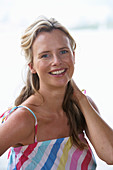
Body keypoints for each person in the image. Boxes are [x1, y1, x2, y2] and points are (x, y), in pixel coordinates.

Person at [0, 16, 113, 170]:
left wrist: (80, 98)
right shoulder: (24, 118)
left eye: (63, 52)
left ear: (73, 56)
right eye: (45, 55)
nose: (57, 61)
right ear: (32, 66)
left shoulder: (83, 107)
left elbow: (110, 155)